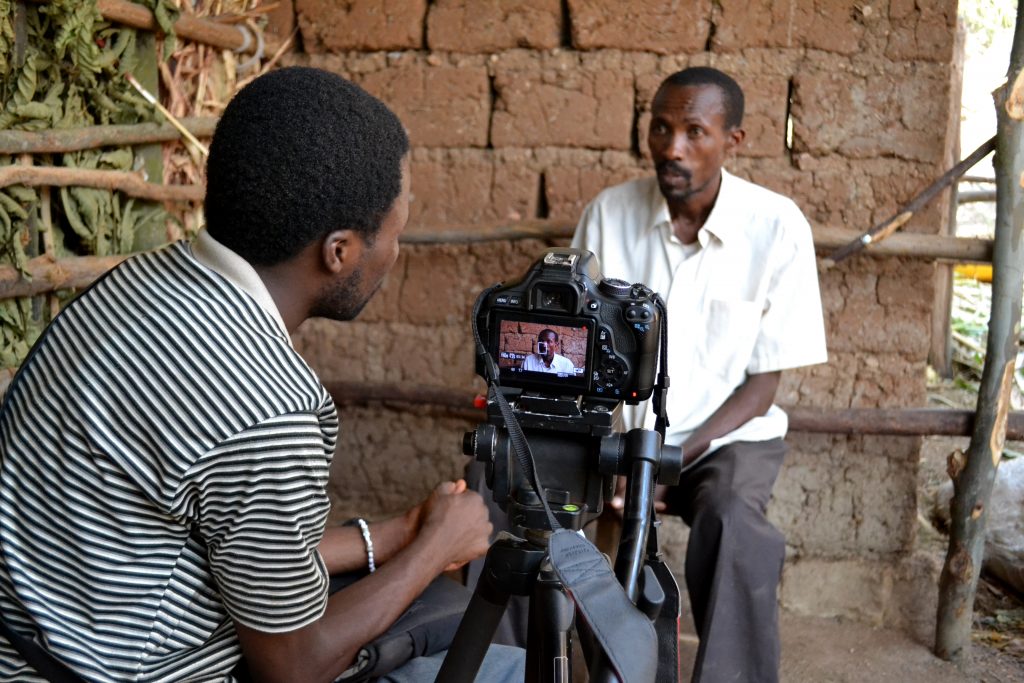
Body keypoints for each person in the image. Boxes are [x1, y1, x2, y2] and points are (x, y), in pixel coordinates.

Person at [0, 67, 522, 683]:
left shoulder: (134, 285)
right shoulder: (268, 403)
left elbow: (230, 551)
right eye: (395, 234)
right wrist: (438, 549)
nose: (396, 254)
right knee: (504, 668)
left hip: (44, 645)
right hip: (110, 672)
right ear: (339, 252)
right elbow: (294, 665)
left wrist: (403, 532)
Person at [572, 66, 828, 682]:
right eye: (660, 128)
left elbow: (763, 385)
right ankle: (500, 665)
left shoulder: (777, 227)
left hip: (726, 440)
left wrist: (669, 459)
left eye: (694, 131)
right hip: (621, 431)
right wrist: (619, 455)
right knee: (520, 491)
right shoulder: (609, 215)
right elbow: (581, 351)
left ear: (732, 141)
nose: (672, 147)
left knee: (736, 527)